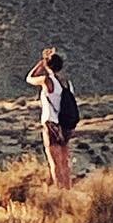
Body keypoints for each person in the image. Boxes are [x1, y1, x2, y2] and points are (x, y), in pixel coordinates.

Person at [27, 47, 75, 188]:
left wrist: (40, 64)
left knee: (54, 162)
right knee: (65, 162)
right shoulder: (67, 83)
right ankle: (68, 189)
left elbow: (29, 79)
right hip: (65, 125)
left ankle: (60, 192)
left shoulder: (48, 81)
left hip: (51, 123)